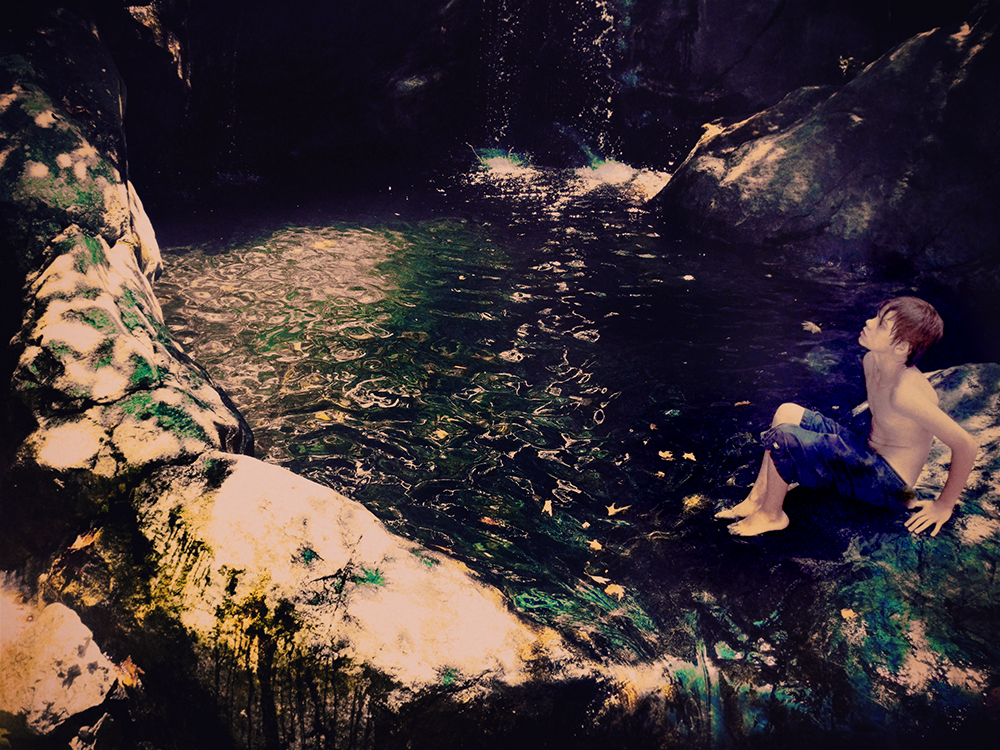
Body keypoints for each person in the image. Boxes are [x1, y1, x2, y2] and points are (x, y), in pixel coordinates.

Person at [717, 296, 978, 537]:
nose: (869, 322)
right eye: (876, 316)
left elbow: (966, 445)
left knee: (784, 438)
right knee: (787, 412)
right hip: (870, 454)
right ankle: (756, 499)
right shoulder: (871, 361)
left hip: (891, 487)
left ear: (901, 347)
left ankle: (771, 515)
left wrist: (944, 505)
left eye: (881, 324)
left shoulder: (905, 393)